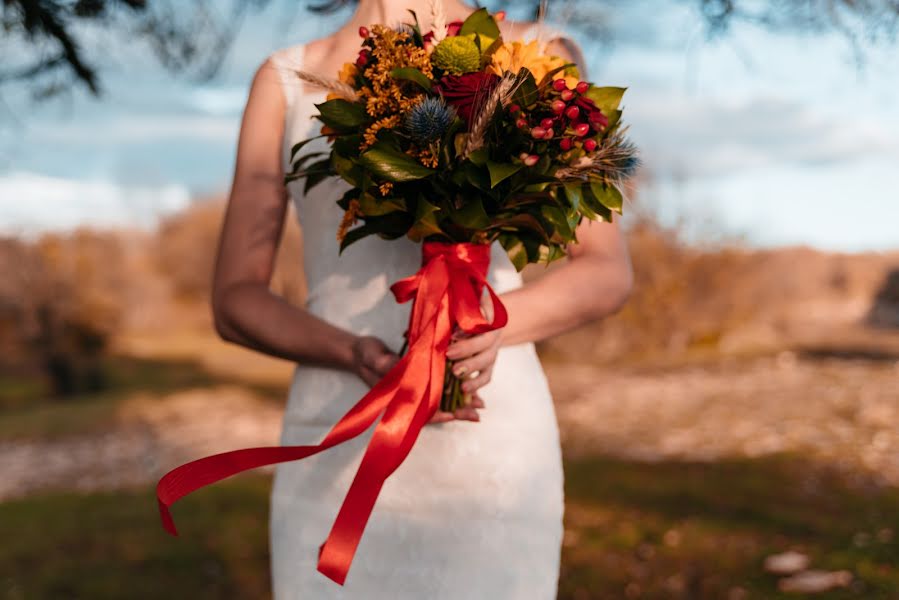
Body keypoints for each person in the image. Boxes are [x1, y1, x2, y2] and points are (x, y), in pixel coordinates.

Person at [211, 0, 633, 596]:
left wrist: (484, 324)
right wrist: (353, 352)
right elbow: (234, 298)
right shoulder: (283, 79)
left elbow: (607, 270)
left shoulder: (541, 58)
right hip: (338, 428)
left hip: (489, 434)